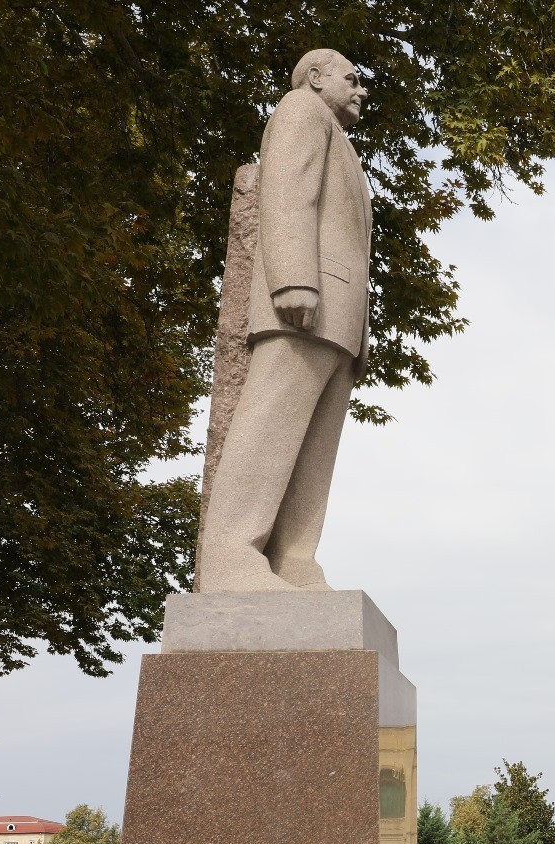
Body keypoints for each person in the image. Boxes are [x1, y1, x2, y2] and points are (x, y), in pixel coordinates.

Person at [197, 48, 373, 592]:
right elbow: (288, 191)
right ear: (316, 78)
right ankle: (230, 555)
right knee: (271, 423)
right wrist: (295, 277)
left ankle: (294, 559)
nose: (361, 90)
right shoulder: (301, 110)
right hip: (306, 302)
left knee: (314, 445)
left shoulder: (339, 138)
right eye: (352, 78)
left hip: (339, 315)